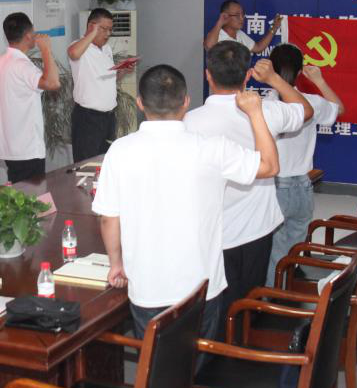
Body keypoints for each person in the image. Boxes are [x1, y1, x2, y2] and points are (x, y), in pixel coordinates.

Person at [94, 64, 278, 343]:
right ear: (186, 102)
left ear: (140, 103)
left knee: (154, 362)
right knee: (198, 359)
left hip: (148, 288)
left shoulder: (119, 150)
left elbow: (109, 218)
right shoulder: (212, 148)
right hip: (202, 287)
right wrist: (255, 113)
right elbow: (269, 165)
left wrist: (116, 263)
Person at [184, 41, 314, 315]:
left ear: (208, 75)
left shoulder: (189, 123)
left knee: (216, 307)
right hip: (258, 229)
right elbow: (305, 110)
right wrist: (274, 79)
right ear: (247, 76)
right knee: (249, 305)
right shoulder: (268, 111)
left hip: (212, 233)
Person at [263, 44, 344, 285]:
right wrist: (319, 80)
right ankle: (287, 291)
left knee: (271, 253)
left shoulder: (262, 105)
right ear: (299, 72)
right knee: (293, 251)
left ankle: (271, 296)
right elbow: (339, 109)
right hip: (302, 187)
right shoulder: (311, 102)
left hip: (272, 188)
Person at [0, 12, 60, 182]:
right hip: (26, 148)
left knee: (18, 192)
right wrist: (46, 49)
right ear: (28, 35)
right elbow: (53, 83)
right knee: (33, 195)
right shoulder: (21, 65)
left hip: (10, 147)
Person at [67, 8, 135, 163]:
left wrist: (123, 71)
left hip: (109, 117)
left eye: (110, 29)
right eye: (104, 29)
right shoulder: (79, 46)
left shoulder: (106, 49)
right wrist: (91, 34)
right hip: (88, 118)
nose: (108, 34)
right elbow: (73, 53)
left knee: (105, 162)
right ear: (91, 26)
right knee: (86, 165)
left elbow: (109, 80)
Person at [203, 0, 282, 55]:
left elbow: (258, 48)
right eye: (237, 15)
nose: (242, 18)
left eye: (243, 14)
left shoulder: (240, 34)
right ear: (225, 16)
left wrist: (274, 28)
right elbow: (209, 46)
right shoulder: (216, 35)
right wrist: (220, 22)